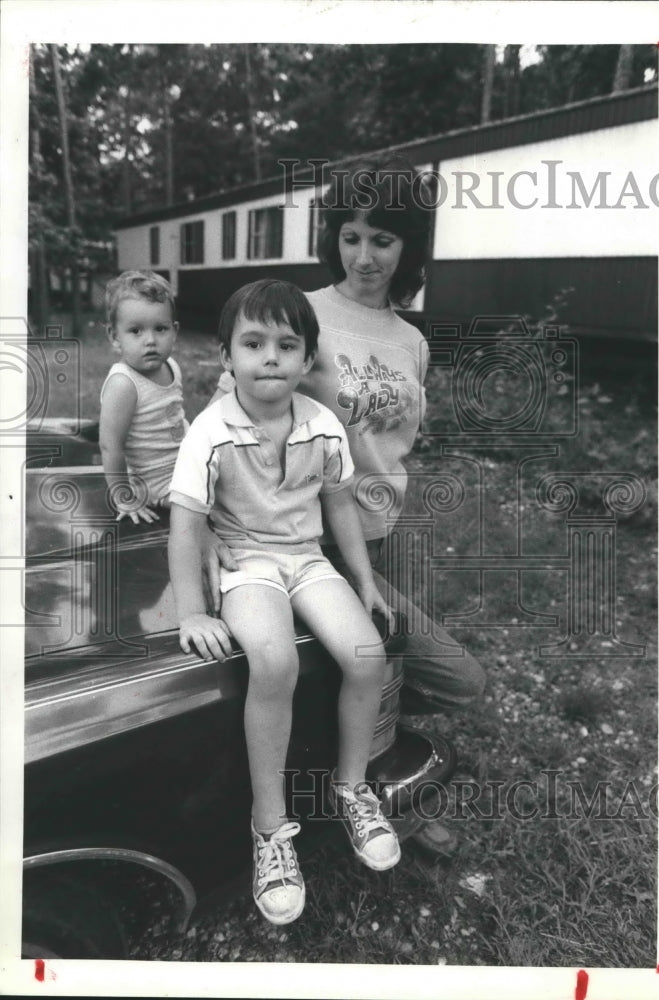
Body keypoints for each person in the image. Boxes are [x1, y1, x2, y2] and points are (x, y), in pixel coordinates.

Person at [207, 155, 486, 856]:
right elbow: (222, 423)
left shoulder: (413, 341)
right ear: (333, 236)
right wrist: (211, 529)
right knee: (444, 673)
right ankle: (345, 792)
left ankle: (366, 771)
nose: (364, 256)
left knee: (402, 671)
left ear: (408, 248)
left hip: (380, 538)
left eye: (383, 240)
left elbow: (393, 444)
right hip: (309, 543)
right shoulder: (300, 315)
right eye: (351, 236)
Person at [168, 278, 401, 926]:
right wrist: (192, 610)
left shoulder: (322, 424)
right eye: (253, 343)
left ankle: (352, 788)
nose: (270, 357)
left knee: (367, 654)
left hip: (306, 559)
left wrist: (364, 579)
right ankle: (269, 826)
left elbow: (338, 504)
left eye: (286, 344)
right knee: (274, 662)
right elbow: (185, 526)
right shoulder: (209, 432)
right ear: (226, 357)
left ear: (307, 358)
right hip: (247, 563)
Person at [99, 270, 187, 524]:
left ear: (174, 331)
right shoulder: (123, 384)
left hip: (186, 463)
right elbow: (110, 445)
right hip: (156, 482)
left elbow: (173, 418)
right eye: (136, 331)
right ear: (115, 337)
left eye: (160, 329)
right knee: (206, 506)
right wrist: (123, 497)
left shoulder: (171, 366)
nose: (150, 340)